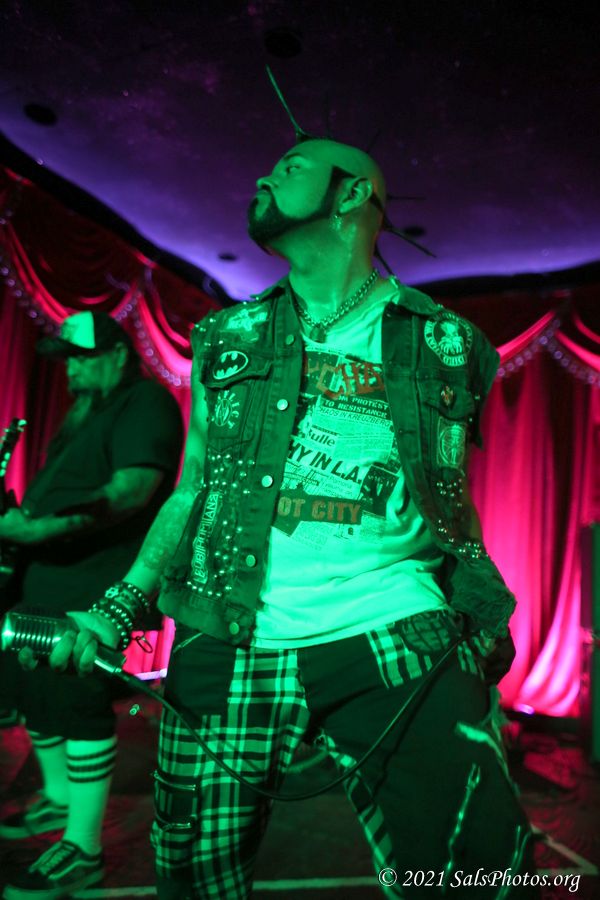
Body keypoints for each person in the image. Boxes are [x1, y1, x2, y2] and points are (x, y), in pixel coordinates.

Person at [50, 140, 537, 898]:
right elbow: (192, 489)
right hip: (228, 632)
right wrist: (121, 605)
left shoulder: (450, 343)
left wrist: (475, 613)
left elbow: (450, 499)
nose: (263, 174)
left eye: (291, 167)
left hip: (395, 624)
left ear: (352, 194)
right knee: (194, 879)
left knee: (477, 871)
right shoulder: (227, 337)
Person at [0, 311, 183, 900]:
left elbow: (133, 491)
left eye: (81, 358)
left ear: (117, 355)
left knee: (78, 701)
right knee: (35, 690)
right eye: (67, 361)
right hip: (47, 584)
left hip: (95, 589)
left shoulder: (145, 402)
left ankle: (83, 848)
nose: (71, 371)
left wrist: (32, 530)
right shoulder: (86, 413)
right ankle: (58, 799)